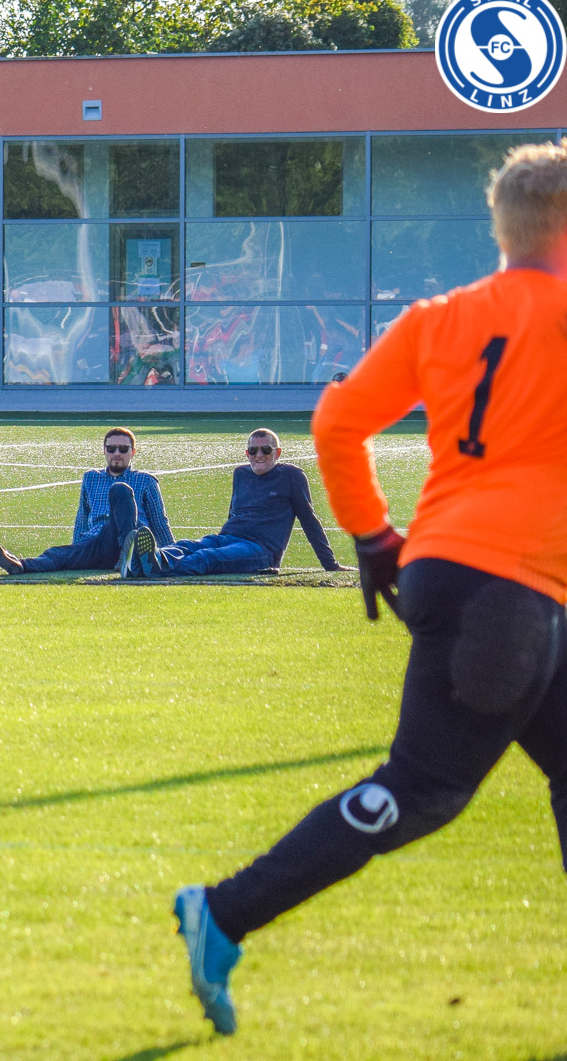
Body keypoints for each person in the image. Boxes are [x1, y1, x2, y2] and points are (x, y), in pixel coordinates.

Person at [171, 142, 567, 1037]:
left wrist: (376, 538)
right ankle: (225, 910)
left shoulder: (439, 318)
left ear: (503, 229)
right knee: (423, 788)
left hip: (462, 572)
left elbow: (338, 420)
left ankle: (226, 912)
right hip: (505, 593)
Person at [122, 429, 343, 579]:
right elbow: (234, 513)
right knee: (189, 546)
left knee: (208, 558)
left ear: (277, 453)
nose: (259, 455)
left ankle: (149, 565)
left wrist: (330, 564)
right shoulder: (241, 474)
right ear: (247, 453)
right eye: (253, 451)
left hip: (260, 550)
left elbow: (309, 520)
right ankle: (147, 560)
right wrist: (222, 540)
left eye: (266, 450)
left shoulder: (291, 476)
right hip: (229, 538)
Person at [0, 427, 172, 575]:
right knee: (57, 554)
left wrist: (170, 553)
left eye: (123, 449)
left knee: (120, 490)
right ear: (104, 451)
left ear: (133, 452)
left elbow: (159, 521)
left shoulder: (145, 480)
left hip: (129, 542)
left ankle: (126, 554)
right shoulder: (91, 478)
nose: (117, 453)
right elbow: (83, 516)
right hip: (96, 543)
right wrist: (77, 547)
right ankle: (19, 565)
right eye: (111, 448)